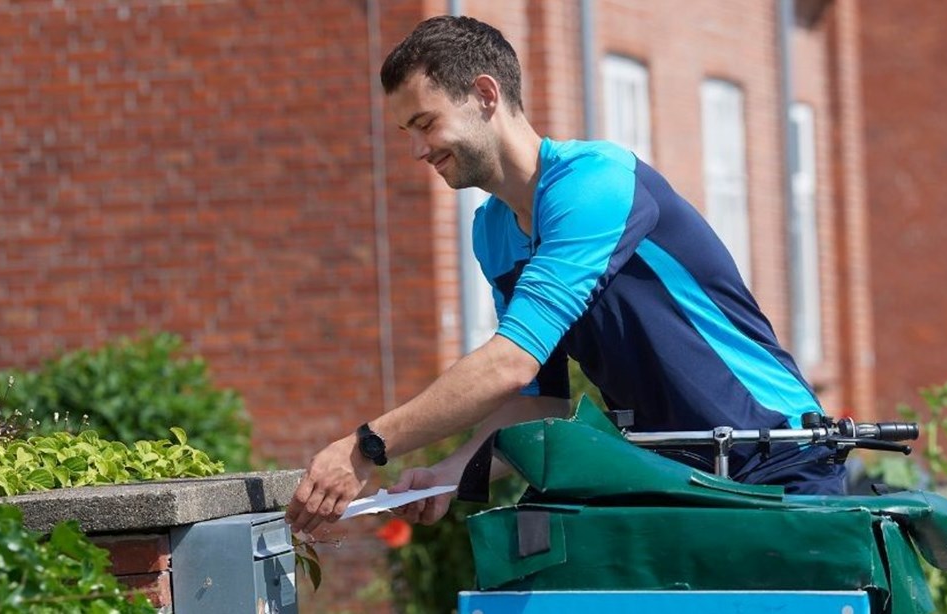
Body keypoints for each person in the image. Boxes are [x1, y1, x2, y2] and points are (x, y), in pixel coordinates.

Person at [286, 15, 844, 535]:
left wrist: (366, 447)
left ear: (485, 95)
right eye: (407, 130)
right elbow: (538, 398)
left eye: (425, 123)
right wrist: (450, 471)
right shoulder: (494, 231)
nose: (416, 150)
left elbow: (509, 364)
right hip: (680, 473)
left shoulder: (593, 183)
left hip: (776, 454)